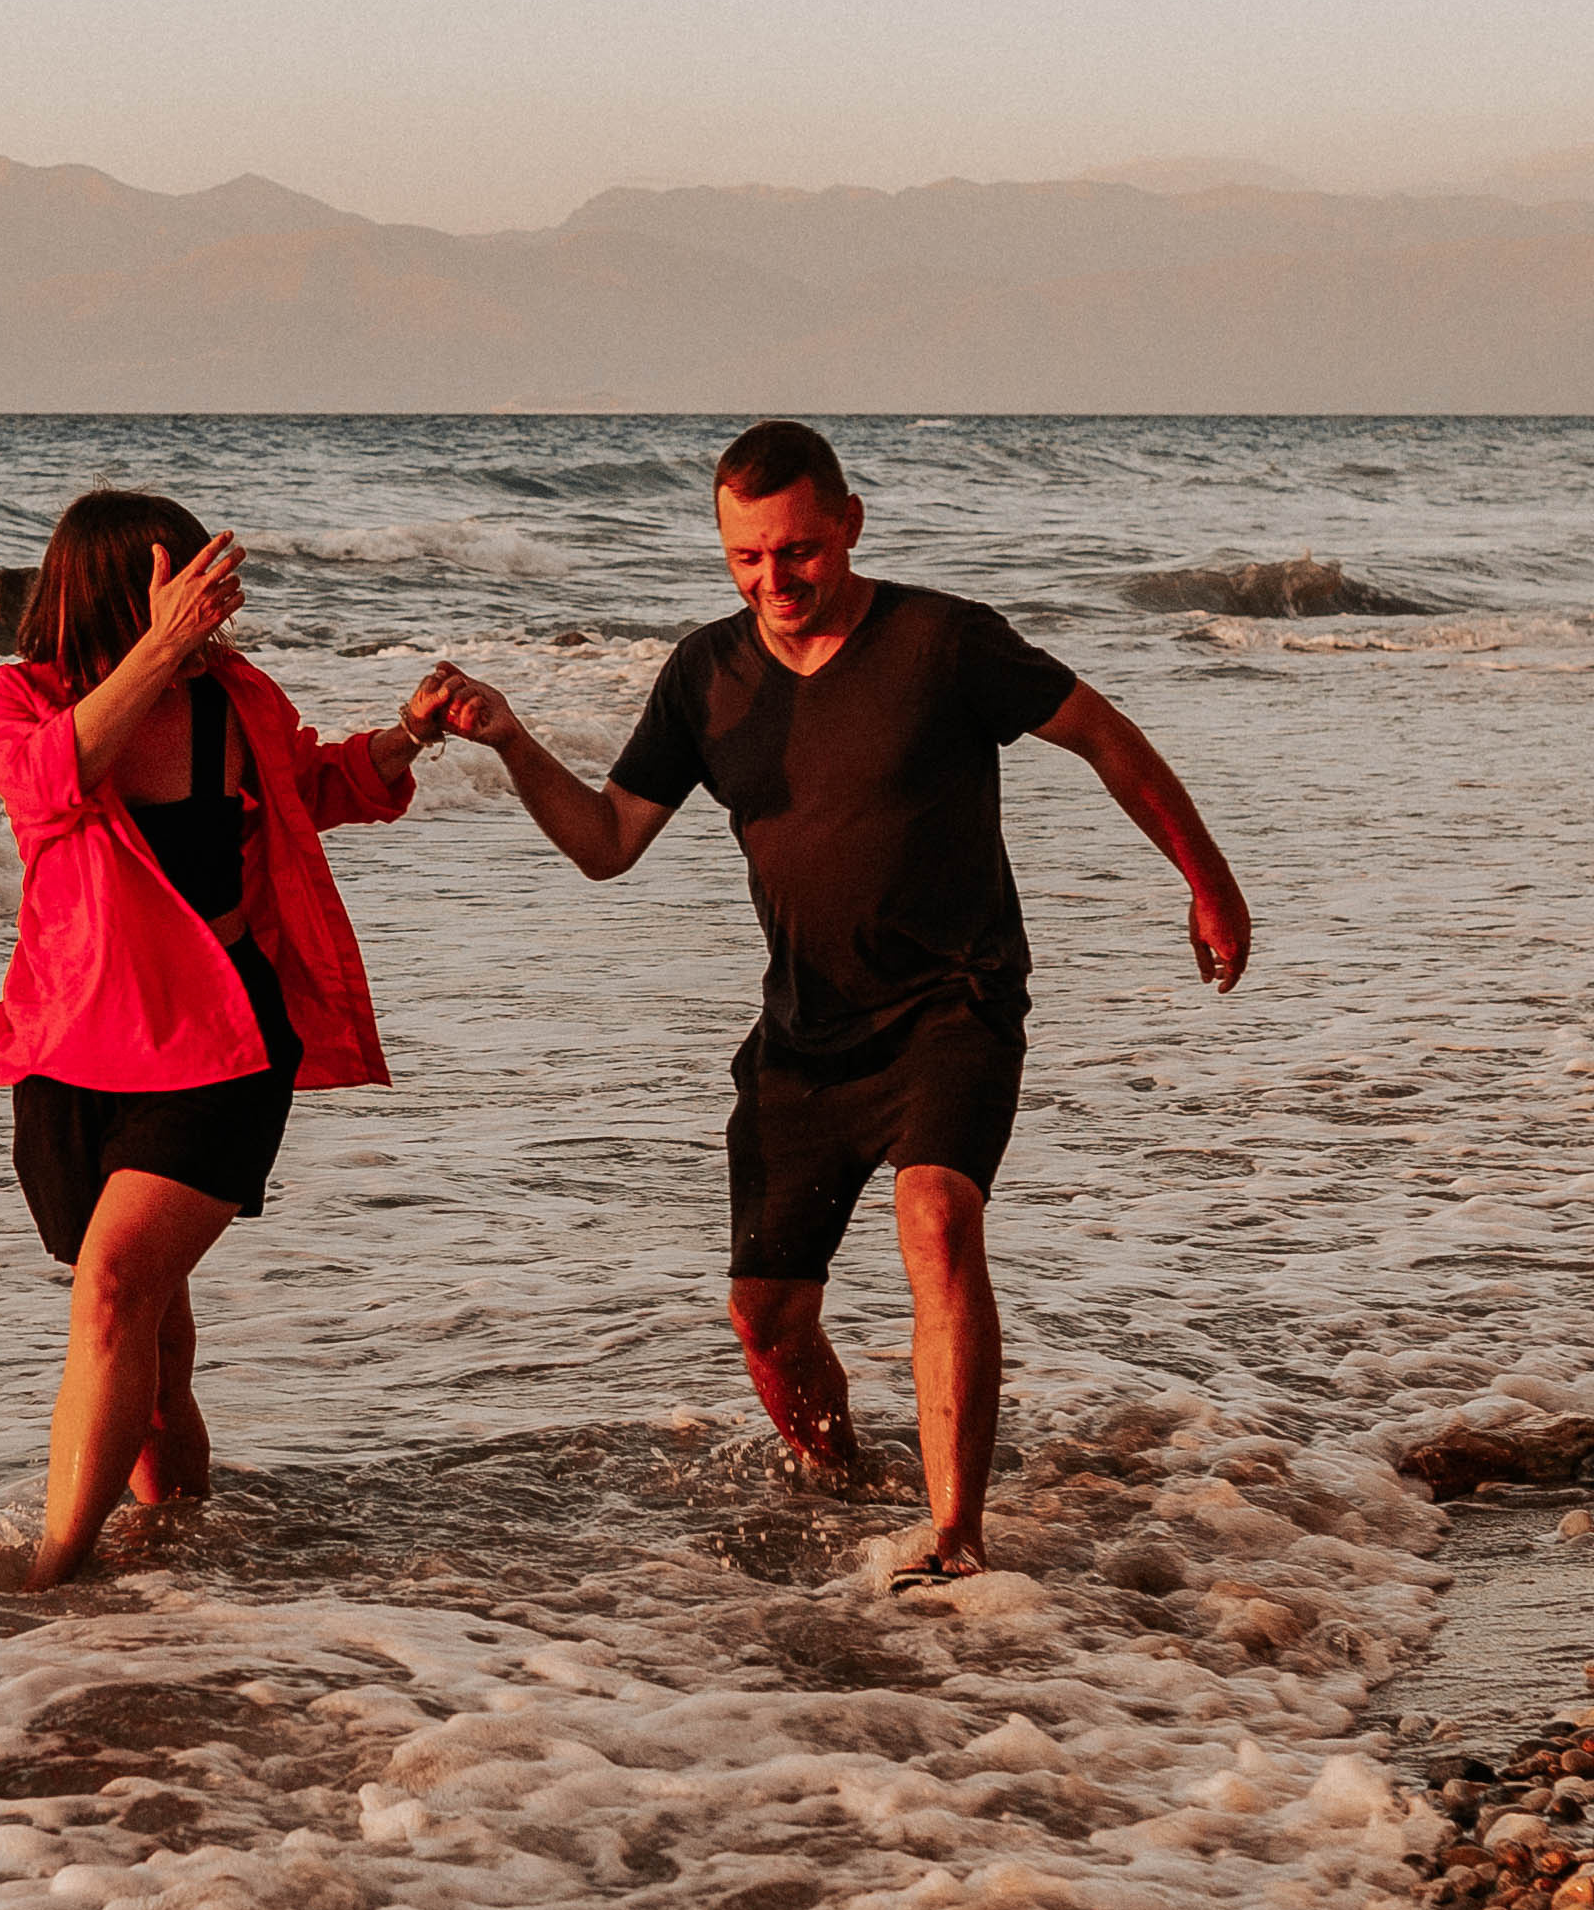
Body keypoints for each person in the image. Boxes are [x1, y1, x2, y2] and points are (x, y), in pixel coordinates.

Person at [429, 420, 1251, 1592]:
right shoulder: (705, 675)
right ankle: (839, 1481)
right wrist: (512, 741)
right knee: (765, 1315)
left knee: (937, 1217)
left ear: (850, 524)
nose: (774, 579)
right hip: (804, 1034)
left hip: (955, 1000)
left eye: (798, 550)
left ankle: (955, 1538)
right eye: (746, 558)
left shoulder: (942, 642)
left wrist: (1207, 883)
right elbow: (607, 842)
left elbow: (1104, 737)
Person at [0, 488, 455, 1586]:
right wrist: (158, 649)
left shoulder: (236, 697)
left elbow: (308, 787)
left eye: (215, 591)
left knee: (111, 1293)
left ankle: (53, 1580)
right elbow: (48, 785)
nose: (215, 611)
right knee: (154, 1360)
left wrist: (409, 732)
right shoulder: (11, 699)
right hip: (71, 1053)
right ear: (117, 597)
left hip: (225, 1046)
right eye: (190, 589)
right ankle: (175, 1565)